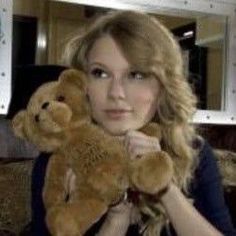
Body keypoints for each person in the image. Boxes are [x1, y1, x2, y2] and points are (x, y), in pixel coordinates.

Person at [32, 10, 236, 236]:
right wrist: (115, 220)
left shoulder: (192, 153)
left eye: (136, 75)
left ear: (162, 87)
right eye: (100, 73)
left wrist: (164, 186)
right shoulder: (58, 159)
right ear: (81, 84)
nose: (116, 93)